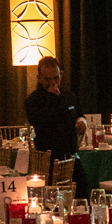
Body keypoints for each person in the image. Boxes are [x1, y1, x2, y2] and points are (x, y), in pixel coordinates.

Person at [24, 57, 86, 190]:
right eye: (47, 79)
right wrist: (52, 98)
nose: (52, 83)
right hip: (48, 159)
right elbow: (42, 123)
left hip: (70, 155)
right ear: (39, 78)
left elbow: (79, 115)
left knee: (83, 188)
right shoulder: (33, 100)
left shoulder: (69, 96)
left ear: (61, 75)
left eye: (55, 78)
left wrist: (82, 122)